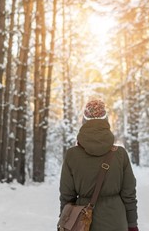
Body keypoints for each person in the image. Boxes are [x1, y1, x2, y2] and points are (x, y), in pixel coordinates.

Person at [59, 99, 139, 231]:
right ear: (106, 121)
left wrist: (65, 223)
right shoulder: (120, 154)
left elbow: (66, 197)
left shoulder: (72, 155)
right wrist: (132, 225)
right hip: (116, 223)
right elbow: (129, 195)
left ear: (84, 121)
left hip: (83, 224)